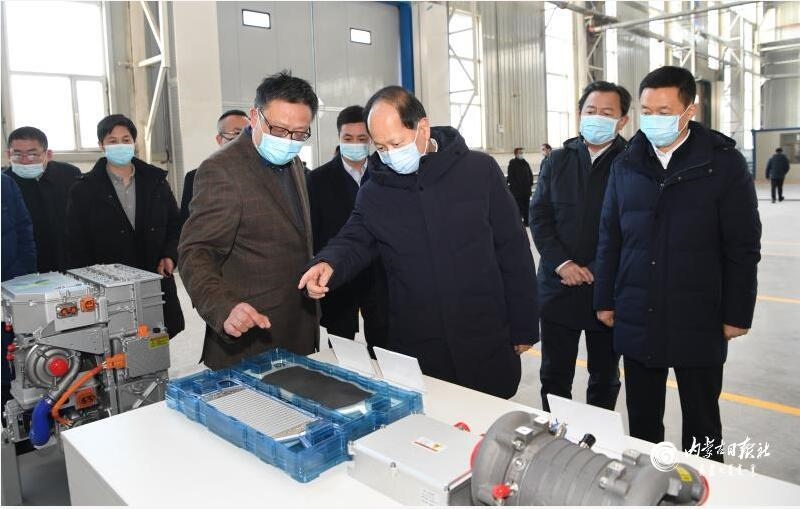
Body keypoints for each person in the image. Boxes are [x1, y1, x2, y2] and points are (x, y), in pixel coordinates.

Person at [299, 86, 539, 399]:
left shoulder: (479, 171)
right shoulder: (376, 189)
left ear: (422, 128)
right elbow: (354, 237)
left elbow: (513, 250)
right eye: (380, 147)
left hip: (483, 330)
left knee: (487, 414)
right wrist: (327, 262)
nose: (388, 154)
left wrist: (524, 324)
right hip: (417, 339)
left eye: (396, 143)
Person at [594, 66, 761, 461]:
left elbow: (742, 245)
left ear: (689, 111)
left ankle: (705, 485)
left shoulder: (722, 163)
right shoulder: (626, 163)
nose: (653, 119)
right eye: (647, 111)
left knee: (703, 423)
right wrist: (605, 299)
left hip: (699, 314)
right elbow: (610, 237)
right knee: (643, 421)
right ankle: (648, 484)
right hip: (639, 310)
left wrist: (737, 313)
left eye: (664, 111)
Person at [178, 71, 319, 369]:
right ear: (255, 117)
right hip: (249, 335)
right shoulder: (222, 170)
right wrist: (224, 308)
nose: (288, 140)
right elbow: (196, 251)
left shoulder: (292, 160)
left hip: (296, 327)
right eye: (279, 130)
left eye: (299, 133)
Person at [530, 80, 631, 413]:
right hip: (558, 286)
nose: (597, 117)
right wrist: (563, 264)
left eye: (607, 112)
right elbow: (539, 217)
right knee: (554, 374)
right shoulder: (557, 160)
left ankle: (597, 438)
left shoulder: (632, 164)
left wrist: (597, 269)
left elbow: (636, 228)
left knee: (605, 376)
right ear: (579, 114)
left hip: (608, 291)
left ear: (622, 120)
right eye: (591, 110)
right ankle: (555, 433)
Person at [65, 114, 185, 338]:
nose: (120, 145)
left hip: (154, 277)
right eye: (112, 141)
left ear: (134, 142)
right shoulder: (84, 189)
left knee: (156, 339)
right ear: (102, 145)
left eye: (126, 139)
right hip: (110, 286)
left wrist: (170, 255)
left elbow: (175, 224)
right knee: (117, 343)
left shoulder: (156, 181)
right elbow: (76, 243)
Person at [307, 106, 388, 353]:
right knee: (341, 345)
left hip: (379, 274)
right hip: (338, 276)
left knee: (384, 342)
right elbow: (314, 229)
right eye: (348, 138)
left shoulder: (386, 175)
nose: (355, 144)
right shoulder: (317, 180)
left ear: (371, 139)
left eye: (362, 138)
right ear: (339, 138)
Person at [3, 126, 81, 273]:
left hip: (68, 259)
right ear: (8, 154)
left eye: (32, 155)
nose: (25, 161)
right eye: (17, 155)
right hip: (25, 265)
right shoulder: (6, 184)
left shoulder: (69, 174)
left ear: (48, 154)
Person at [2, 173, 36, 420]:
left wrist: (23, 279)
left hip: (10, 284)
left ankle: (15, 414)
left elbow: (24, 229)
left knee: (15, 358)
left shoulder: (4, 184)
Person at [179, 109, 249, 229]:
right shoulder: (195, 177)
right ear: (219, 139)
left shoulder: (261, 174)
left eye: (247, 134)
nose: (243, 140)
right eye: (236, 134)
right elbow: (188, 224)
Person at [507, 147, 534, 226]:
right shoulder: (512, 163)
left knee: (526, 207)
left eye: (522, 152)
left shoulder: (525, 163)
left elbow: (530, 174)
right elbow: (511, 177)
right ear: (516, 154)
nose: (521, 154)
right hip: (517, 191)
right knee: (518, 207)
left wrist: (530, 183)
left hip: (526, 190)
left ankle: (526, 222)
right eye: (520, 153)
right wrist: (515, 187)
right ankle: (518, 223)